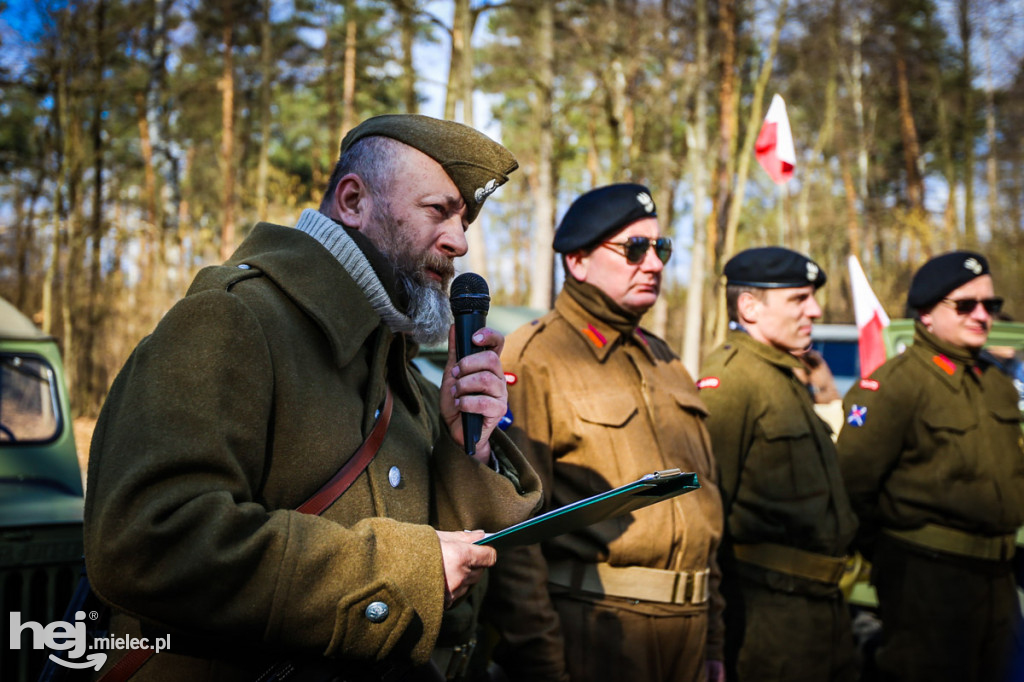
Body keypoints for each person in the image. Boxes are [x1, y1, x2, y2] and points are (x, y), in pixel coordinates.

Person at [83, 114, 542, 681]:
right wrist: (395, 572)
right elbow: (147, 542)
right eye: (438, 210)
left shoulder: (403, 374)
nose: (460, 240)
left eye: (465, 219)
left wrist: (462, 448)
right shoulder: (232, 319)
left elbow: (448, 591)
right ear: (353, 200)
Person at [481, 184, 726, 682]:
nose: (654, 263)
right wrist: (542, 665)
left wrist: (714, 642)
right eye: (634, 249)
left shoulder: (667, 362)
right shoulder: (534, 359)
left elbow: (705, 513)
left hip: (691, 636)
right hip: (598, 635)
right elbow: (515, 536)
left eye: (661, 248)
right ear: (577, 261)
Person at [836, 250, 1024, 682]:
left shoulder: (997, 385)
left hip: (998, 580)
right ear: (925, 314)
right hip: (928, 583)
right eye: (965, 305)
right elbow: (851, 486)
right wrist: (893, 558)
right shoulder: (895, 385)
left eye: (989, 305)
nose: (982, 315)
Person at [697, 246, 859, 682]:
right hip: (765, 623)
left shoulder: (783, 376)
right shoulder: (731, 380)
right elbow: (706, 519)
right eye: (799, 299)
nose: (816, 310)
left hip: (819, 613)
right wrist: (712, 636)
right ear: (749, 306)